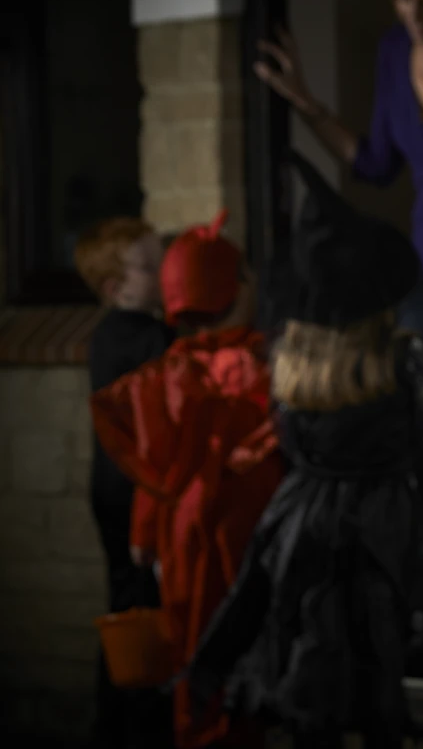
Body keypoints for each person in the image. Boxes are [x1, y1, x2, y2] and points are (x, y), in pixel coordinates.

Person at [253, 0, 423, 679]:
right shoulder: (395, 53)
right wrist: (303, 99)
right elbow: (371, 165)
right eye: (402, 0)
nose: (412, 13)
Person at [187, 154, 423, 749]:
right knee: (376, 648)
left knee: (305, 630)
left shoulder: (291, 368)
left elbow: (289, 441)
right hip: (380, 522)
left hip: (301, 518)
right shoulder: (399, 365)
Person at [90, 209, 285, 749]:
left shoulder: (166, 371)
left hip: (181, 534)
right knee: (240, 651)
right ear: (236, 289)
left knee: (194, 650)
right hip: (244, 529)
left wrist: (145, 534)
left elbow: (157, 468)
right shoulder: (255, 364)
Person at [75, 217, 174, 749]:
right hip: (128, 491)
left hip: (114, 484)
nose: (163, 272)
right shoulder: (139, 337)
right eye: (151, 265)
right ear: (116, 288)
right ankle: (130, 719)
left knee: (128, 601)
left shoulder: (118, 334)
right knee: (138, 606)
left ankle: (122, 717)